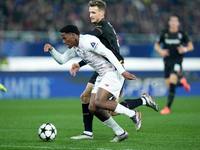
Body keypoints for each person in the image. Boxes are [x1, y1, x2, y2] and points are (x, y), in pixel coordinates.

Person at [69, 0, 158, 140]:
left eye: (93, 12)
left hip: (114, 68)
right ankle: (88, 132)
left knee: (110, 110)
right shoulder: (100, 29)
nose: (90, 15)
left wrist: (73, 37)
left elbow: (88, 39)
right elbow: (93, 52)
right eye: (90, 12)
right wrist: (80, 64)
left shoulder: (102, 27)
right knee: (86, 97)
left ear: (101, 13)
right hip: (102, 67)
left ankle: (143, 101)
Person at [44, 24, 143, 142]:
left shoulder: (88, 41)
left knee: (100, 101)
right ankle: (120, 132)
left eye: (65, 38)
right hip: (102, 75)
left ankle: (133, 114)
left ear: (73, 35)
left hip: (112, 72)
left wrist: (122, 72)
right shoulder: (75, 48)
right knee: (93, 107)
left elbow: (108, 53)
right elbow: (62, 60)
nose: (64, 41)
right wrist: (51, 49)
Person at [154, 14, 194, 115]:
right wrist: (161, 51)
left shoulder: (182, 34)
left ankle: (167, 107)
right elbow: (156, 46)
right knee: (169, 86)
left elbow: (191, 46)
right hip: (167, 62)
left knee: (172, 81)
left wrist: (184, 49)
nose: (173, 23)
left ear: (178, 23)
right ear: (169, 22)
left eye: (175, 21)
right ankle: (182, 83)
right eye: (171, 21)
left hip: (177, 62)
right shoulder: (164, 33)